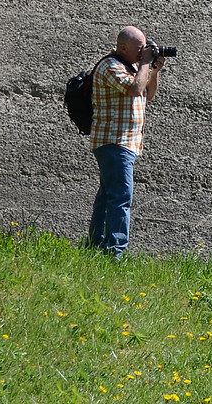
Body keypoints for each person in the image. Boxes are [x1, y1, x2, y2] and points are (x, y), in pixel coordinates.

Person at [88, 26, 166, 257]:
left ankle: (95, 246)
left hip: (125, 143)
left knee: (108, 196)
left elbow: (147, 94)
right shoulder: (109, 66)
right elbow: (134, 89)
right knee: (122, 197)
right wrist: (144, 63)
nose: (143, 52)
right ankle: (115, 252)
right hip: (113, 142)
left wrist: (154, 69)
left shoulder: (132, 66)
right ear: (123, 48)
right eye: (139, 49)